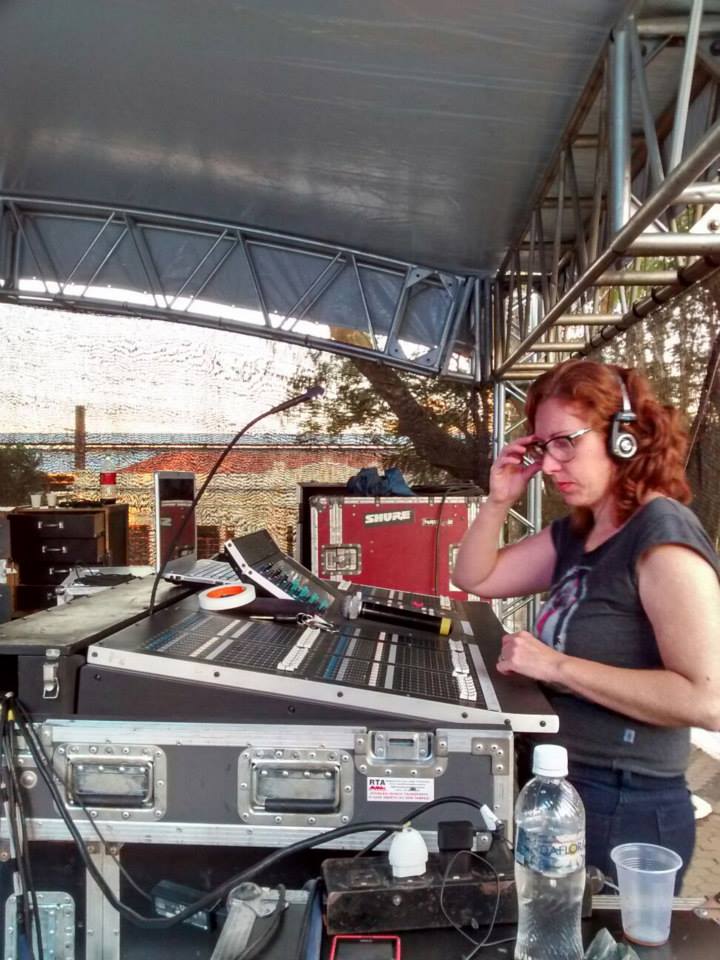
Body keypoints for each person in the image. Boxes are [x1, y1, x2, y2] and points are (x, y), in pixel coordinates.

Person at [453, 359, 720, 888]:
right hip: (563, 788)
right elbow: (475, 576)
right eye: (543, 447)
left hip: (625, 806)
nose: (550, 465)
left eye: (565, 443)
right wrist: (499, 500)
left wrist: (555, 666)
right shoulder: (582, 531)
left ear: (624, 437)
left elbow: (707, 701)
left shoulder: (662, 537)